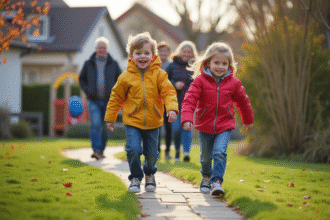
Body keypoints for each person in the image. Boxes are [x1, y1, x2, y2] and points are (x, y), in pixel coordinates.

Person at [105, 32, 178, 193]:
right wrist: (110, 117)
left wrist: (172, 108)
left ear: (153, 56)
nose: (143, 56)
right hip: (132, 120)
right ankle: (136, 178)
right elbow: (116, 97)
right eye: (138, 53)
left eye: (146, 53)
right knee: (133, 149)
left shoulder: (160, 75)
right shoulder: (125, 77)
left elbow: (169, 92)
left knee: (152, 154)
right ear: (131, 56)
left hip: (154, 121)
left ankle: (150, 174)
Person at [181, 42, 254, 196]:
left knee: (220, 152)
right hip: (205, 124)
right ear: (208, 63)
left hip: (225, 124)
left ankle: (216, 181)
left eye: (224, 63)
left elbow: (243, 101)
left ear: (229, 65)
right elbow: (189, 99)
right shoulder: (200, 81)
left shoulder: (234, 83)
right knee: (206, 158)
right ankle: (206, 176)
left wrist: (247, 120)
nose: (220, 67)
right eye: (216, 63)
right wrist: (187, 118)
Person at [79, 37, 122, 160]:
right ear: (96, 49)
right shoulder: (88, 63)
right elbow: (82, 79)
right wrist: (87, 90)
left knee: (105, 126)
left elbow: (120, 80)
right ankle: (96, 150)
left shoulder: (114, 64)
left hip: (109, 100)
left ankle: (101, 150)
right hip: (93, 100)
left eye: (104, 47)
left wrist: (115, 92)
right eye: (99, 47)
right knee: (96, 124)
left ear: (107, 49)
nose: (102, 49)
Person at [166, 41, 198, 162]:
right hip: (173, 102)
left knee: (187, 127)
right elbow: (164, 80)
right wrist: (174, 84)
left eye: (189, 52)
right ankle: (177, 151)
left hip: (188, 103)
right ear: (180, 52)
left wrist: (188, 89)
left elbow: (197, 83)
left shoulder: (194, 67)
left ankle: (185, 152)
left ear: (192, 54)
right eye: (184, 51)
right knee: (176, 128)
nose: (186, 54)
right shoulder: (172, 65)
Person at [157, 41, 172, 159]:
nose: (163, 53)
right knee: (156, 126)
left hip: (168, 99)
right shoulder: (154, 65)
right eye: (161, 51)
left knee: (168, 126)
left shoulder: (171, 66)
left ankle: (167, 151)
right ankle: (156, 150)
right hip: (156, 100)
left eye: (165, 51)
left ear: (169, 53)